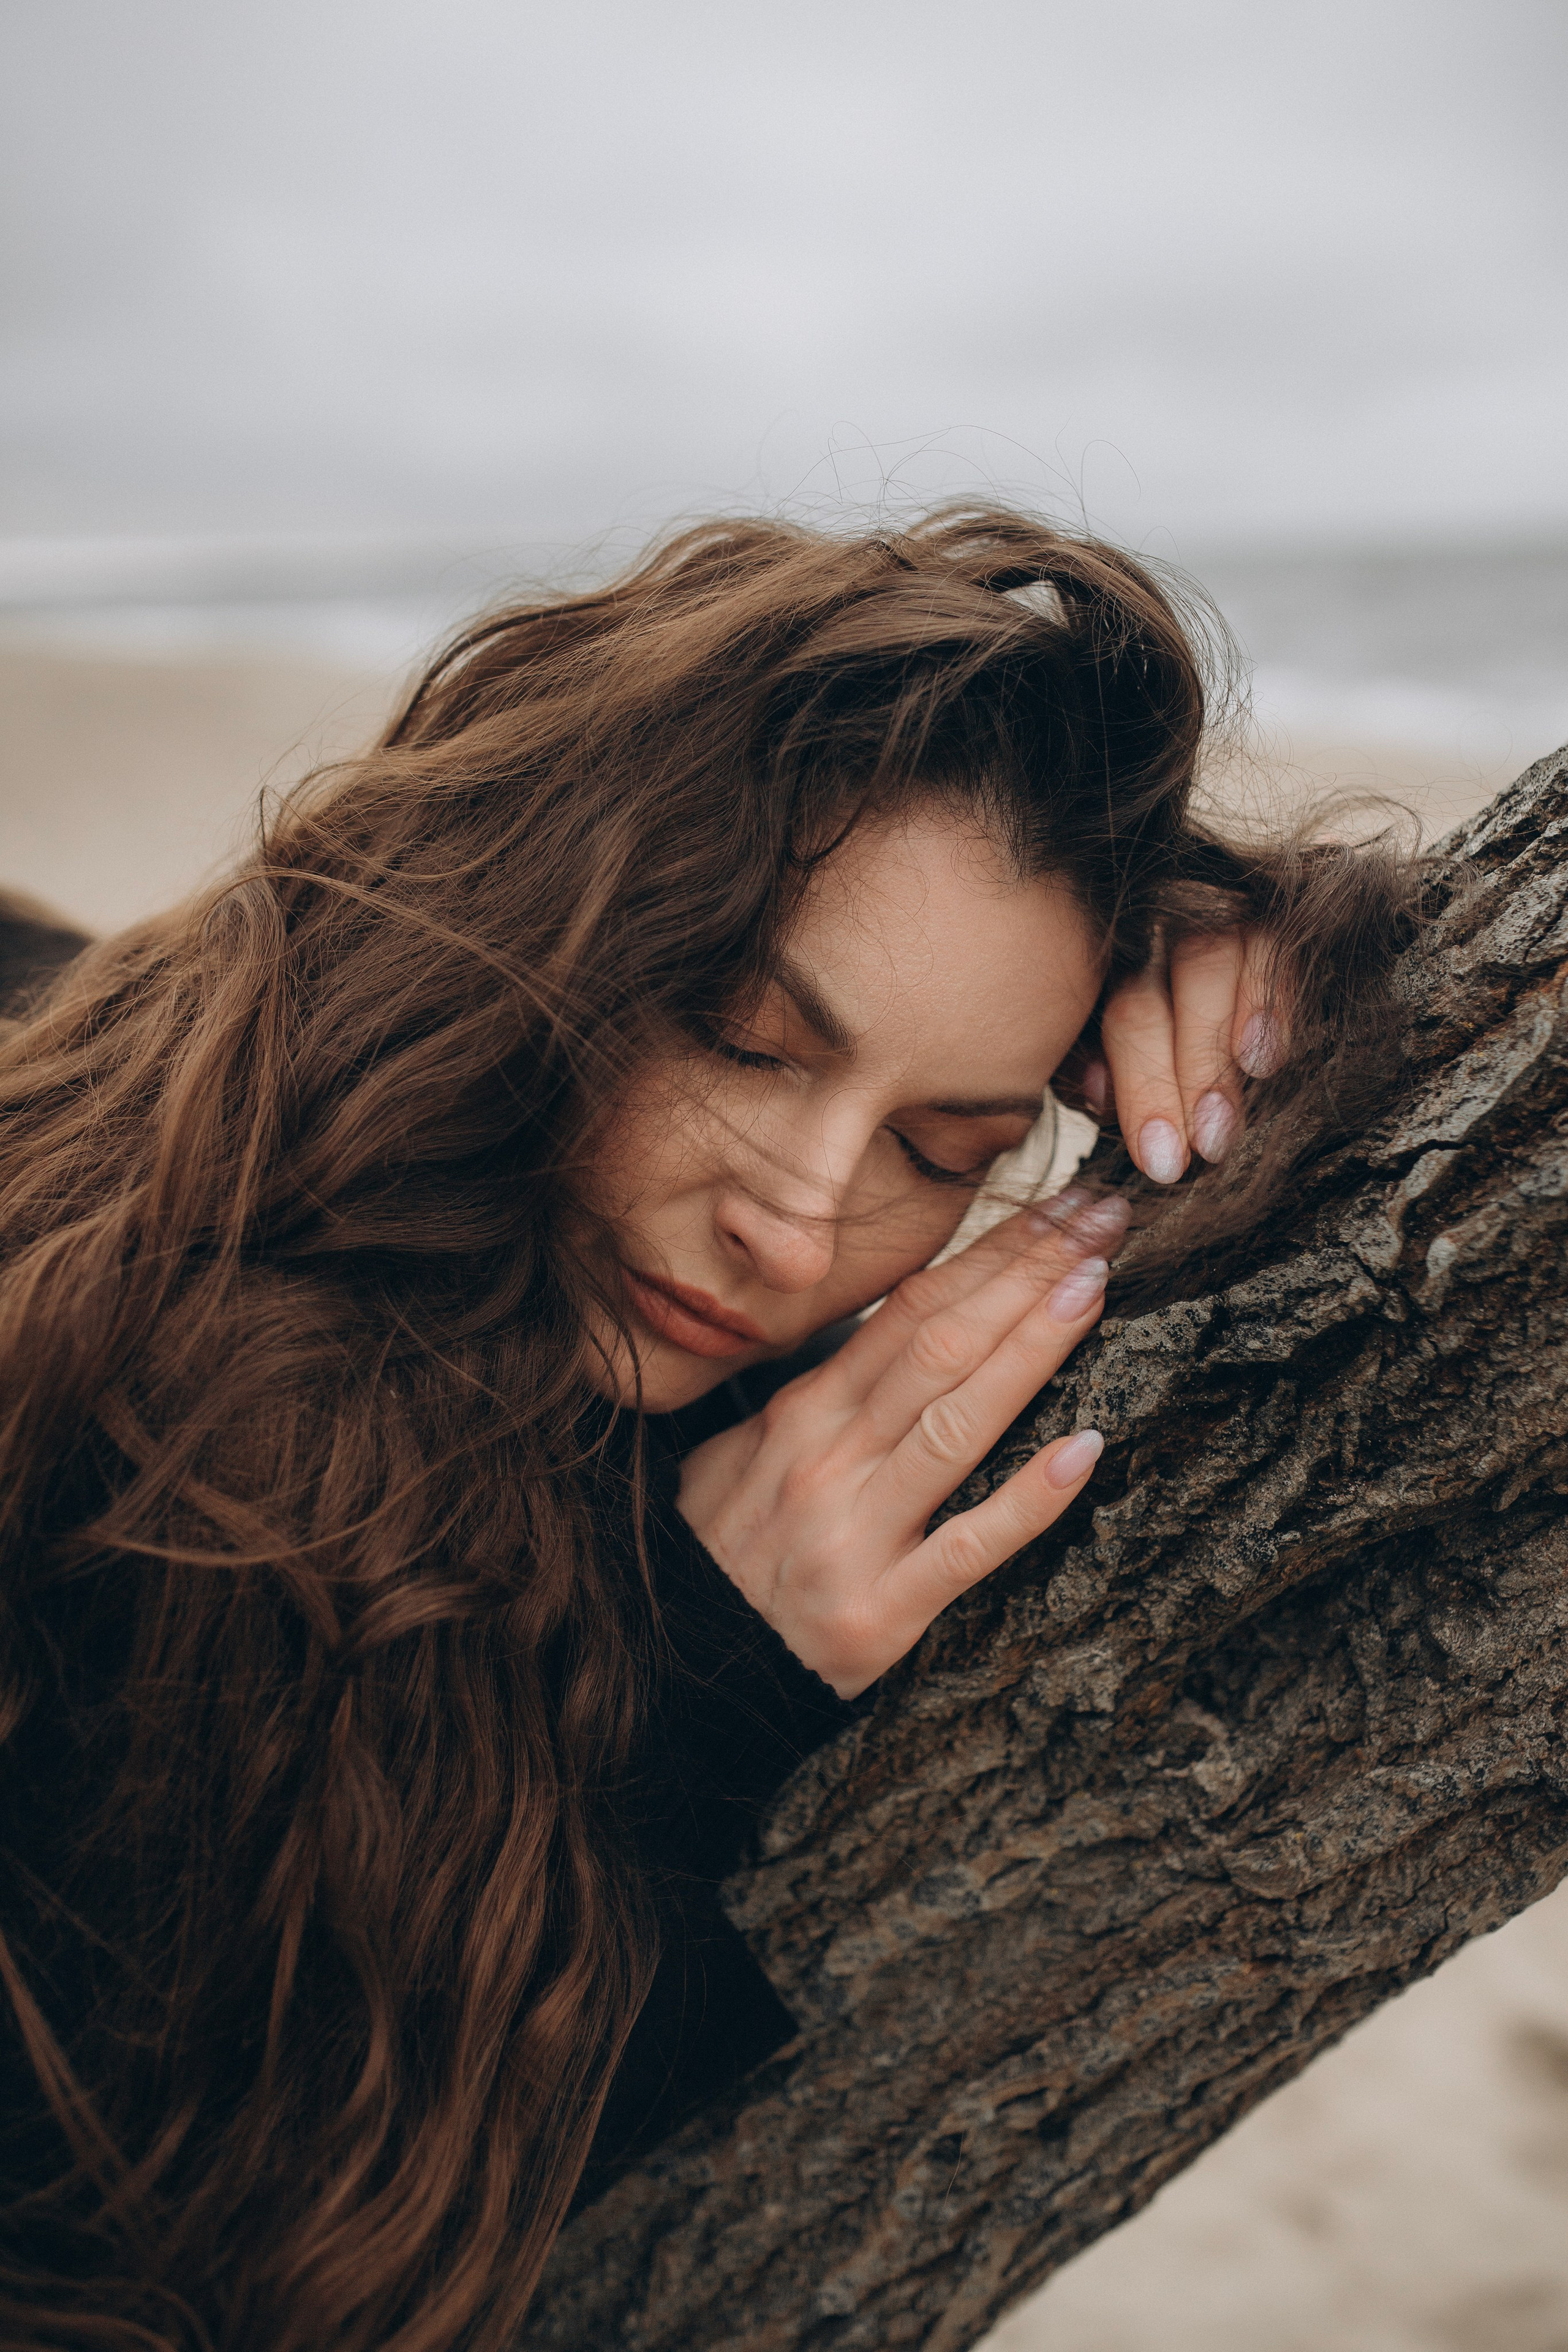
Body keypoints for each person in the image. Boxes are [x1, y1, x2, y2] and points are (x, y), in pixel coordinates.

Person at [0, 509, 1412, 2350]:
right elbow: (230, 2256)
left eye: (946, 1151)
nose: (804, 1225)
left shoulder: (315, 1145)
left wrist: (1252, 948)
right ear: (545, 920)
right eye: (746, 1041)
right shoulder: (149, 1436)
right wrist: (691, 1692)